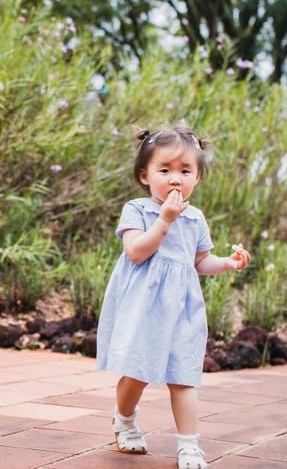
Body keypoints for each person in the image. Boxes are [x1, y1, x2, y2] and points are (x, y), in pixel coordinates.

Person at [96, 126, 251, 468]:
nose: (175, 179)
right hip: (144, 307)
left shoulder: (195, 218)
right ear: (144, 175)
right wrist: (164, 221)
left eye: (185, 171)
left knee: (183, 376)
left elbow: (199, 261)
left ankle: (189, 445)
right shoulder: (137, 210)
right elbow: (136, 252)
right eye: (164, 170)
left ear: (197, 177)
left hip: (182, 308)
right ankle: (124, 419)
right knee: (137, 372)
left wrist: (226, 262)